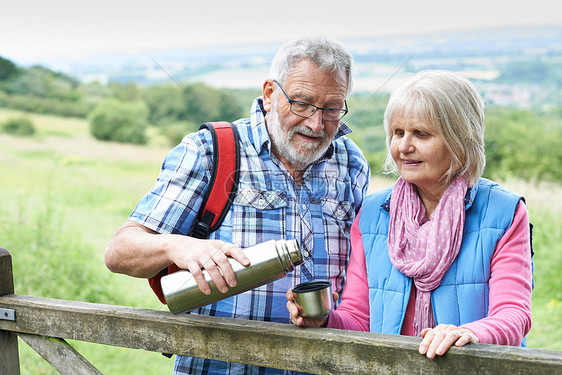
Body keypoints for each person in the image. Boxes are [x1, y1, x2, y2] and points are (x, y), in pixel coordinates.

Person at [105, 36, 370, 374]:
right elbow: (119, 251)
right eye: (302, 103)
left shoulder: (352, 162)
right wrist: (179, 247)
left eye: (332, 108)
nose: (316, 124)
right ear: (271, 94)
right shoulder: (210, 150)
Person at [287, 70, 533, 359]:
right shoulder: (371, 214)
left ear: (459, 139)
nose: (404, 147)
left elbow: (514, 314)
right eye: (398, 133)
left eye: (421, 134)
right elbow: (359, 318)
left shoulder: (504, 212)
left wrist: (470, 333)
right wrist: (324, 321)